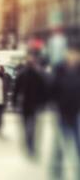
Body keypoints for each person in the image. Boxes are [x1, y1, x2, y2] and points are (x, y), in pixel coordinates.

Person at [49, 47, 80, 180]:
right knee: (59, 143)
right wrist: (55, 105)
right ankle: (56, 168)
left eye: (75, 54)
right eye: (71, 53)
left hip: (77, 112)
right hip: (62, 112)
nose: (73, 56)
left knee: (78, 141)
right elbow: (52, 90)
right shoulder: (59, 70)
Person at [13, 53, 47, 156]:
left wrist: (15, 102)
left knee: (28, 125)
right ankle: (30, 144)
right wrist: (42, 103)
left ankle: (29, 143)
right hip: (32, 104)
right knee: (31, 125)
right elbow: (43, 90)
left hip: (26, 104)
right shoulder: (37, 74)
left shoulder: (23, 74)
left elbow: (16, 90)